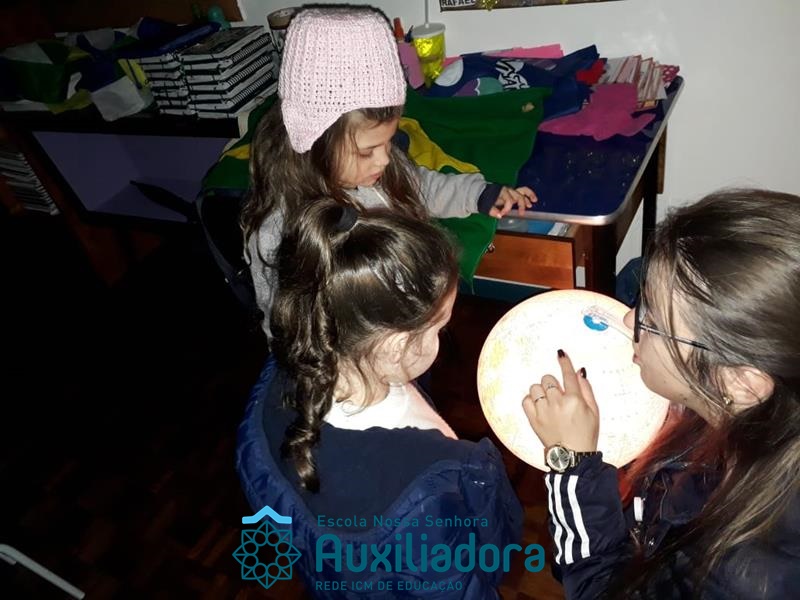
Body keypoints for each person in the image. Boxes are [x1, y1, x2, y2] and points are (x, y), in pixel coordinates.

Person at [236, 199, 523, 597]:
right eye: (438, 328)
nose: (441, 338)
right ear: (394, 346)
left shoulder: (277, 381)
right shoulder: (424, 486)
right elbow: (460, 581)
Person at [523, 188, 800, 598]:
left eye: (651, 320)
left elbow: (601, 591)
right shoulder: (757, 406)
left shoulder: (740, 573)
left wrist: (571, 464)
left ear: (739, 382)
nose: (630, 319)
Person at [240, 5, 537, 337]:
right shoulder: (280, 231)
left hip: (406, 327)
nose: (384, 160)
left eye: (388, 142)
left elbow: (421, 186)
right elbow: (283, 325)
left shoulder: (380, 168)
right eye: (367, 151)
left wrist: (478, 194)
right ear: (314, 142)